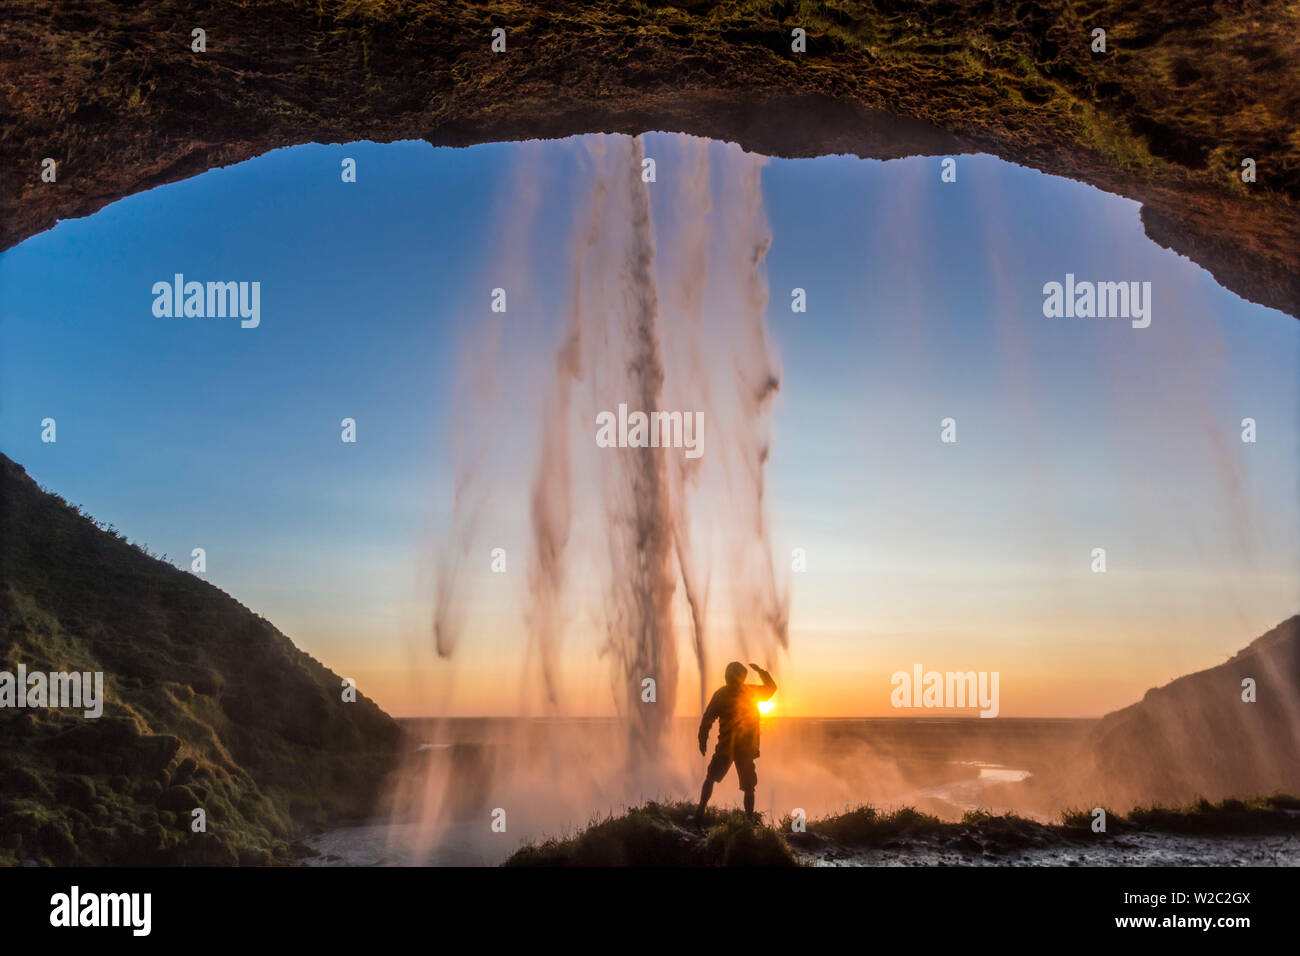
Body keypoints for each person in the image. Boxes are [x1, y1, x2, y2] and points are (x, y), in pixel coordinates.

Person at [695, 661, 777, 825]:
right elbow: (771, 688)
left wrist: (702, 738)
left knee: (716, 779)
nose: (727, 678)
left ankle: (700, 813)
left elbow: (707, 720)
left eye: (729, 675)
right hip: (741, 747)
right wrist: (761, 672)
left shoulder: (725, 694)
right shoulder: (749, 692)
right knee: (746, 786)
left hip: (730, 747)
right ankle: (747, 820)